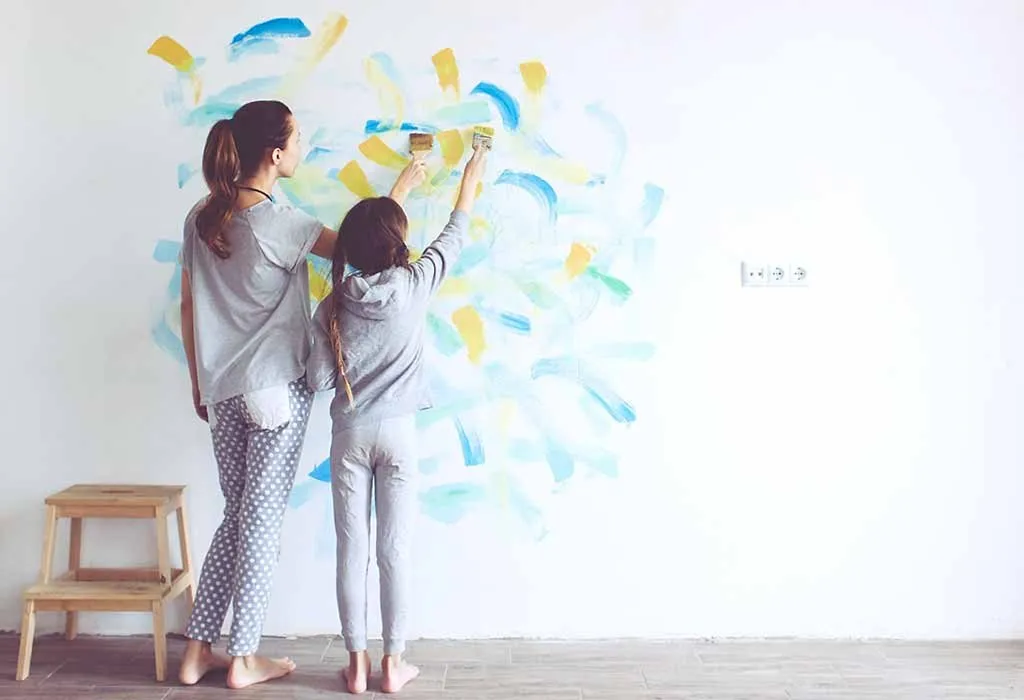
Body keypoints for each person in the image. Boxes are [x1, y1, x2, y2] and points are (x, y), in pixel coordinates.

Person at [306, 143, 489, 693]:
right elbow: (454, 232)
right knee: (394, 551)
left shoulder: (332, 303)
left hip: (350, 434)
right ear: (397, 243)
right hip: (400, 435)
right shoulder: (414, 285)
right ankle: (393, 665)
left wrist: (400, 191)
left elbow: (317, 382)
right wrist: (469, 178)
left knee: (352, 550)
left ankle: (356, 667)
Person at [177, 99, 340, 689]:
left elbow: (190, 304)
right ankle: (242, 658)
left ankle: (198, 650)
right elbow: (364, 248)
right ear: (275, 154)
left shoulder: (202, 216)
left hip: (220, 392)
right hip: (275, 394)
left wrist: (199, 382)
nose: (302, 146)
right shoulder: (285, 222)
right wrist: (404, 186)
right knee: (260, 526)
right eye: (298, 139)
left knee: (238, 518)